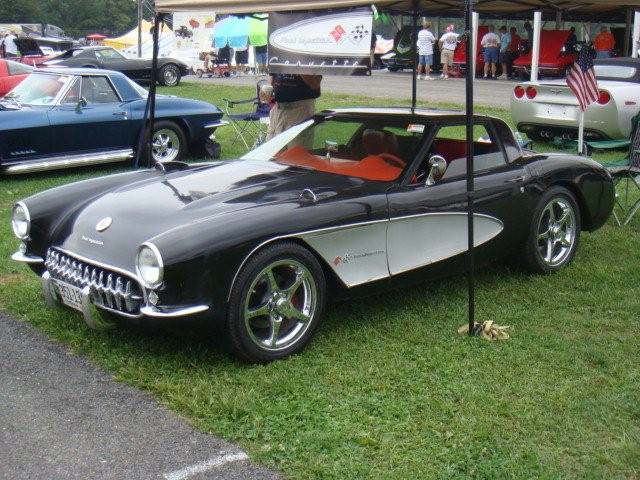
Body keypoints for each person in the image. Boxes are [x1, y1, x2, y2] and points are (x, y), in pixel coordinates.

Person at [262, 74, 322, 139]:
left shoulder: (308, 63)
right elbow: (273, 76)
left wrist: (296, 68)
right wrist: (270, 90)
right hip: (278, 111)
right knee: (272, 147)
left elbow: (315, 84)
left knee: (295, 147)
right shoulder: (278, 63)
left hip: (300, 111)